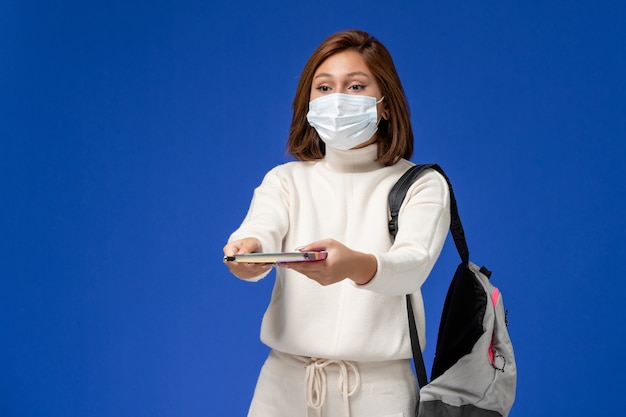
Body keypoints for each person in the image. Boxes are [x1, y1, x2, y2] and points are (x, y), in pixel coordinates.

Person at [223, 29, 451, 417]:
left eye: (356, 86)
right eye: (324, 88)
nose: (338, 100)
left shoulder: (421, 185)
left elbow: (412, 265)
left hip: (379, 394)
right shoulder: (286, 180)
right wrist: (248, 254)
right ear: (308, 103)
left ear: (385, 105)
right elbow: (260, 229)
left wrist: (352, 265)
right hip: (284, 387)